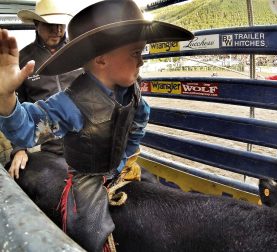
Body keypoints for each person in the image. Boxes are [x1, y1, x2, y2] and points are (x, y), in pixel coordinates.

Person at [0, 0, 193, 251]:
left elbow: (139, 121)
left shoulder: (133, 93)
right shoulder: (73, 103)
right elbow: (28, 129)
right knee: (90, 227)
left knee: (157, 189)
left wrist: (125, 158)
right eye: (136, 53)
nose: (142, 62)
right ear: (101, 59)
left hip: (119, 167)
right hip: (88, 175)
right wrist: (5, 98)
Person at [8, 0, 83, 179]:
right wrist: (19, 148)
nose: (57, 30)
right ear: (36, 24)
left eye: (61, 25)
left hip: (87, 143)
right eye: (50, 25)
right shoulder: (24, 60)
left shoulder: (79, 52)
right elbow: (15, 107)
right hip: (48, 148)